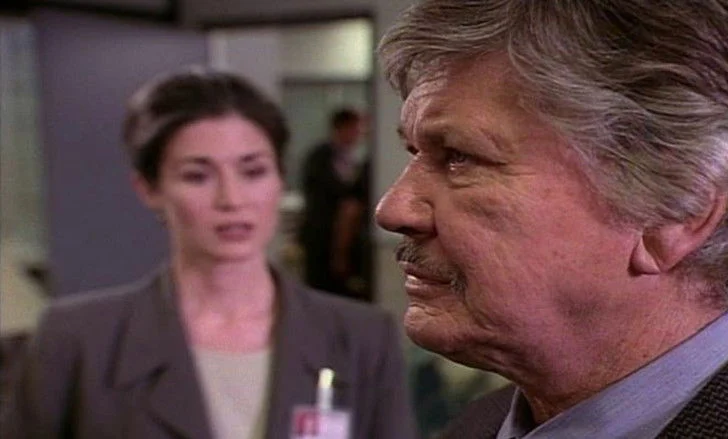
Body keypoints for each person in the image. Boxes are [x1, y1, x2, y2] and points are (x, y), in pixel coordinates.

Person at [375, 1, 728, 438]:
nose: (393, 210)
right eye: (414, 152)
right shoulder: (476, 426)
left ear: (675, 215)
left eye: (459, 157)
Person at [0, 69, 416, 439]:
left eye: (253, 171)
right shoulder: (77, 340)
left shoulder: (361, 337)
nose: (231, 199)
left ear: (279, 178)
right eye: (197, 176)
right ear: (149, 189)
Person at [298, 108, 371, 300]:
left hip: (348, 238)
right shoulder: (320, 157)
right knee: (320, 290)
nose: (357, 135)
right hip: (321, 235)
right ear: (341, 128)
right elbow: (326, 196)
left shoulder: (353, 160)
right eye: (354, 129)